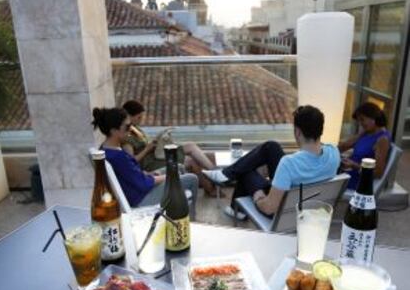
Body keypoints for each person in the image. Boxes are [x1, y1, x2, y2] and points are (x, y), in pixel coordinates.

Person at [203, 105, 340, 217]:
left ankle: (228, 178)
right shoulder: (334, 153)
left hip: (285, 212)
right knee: (271, 147)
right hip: (307, 206)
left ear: (297, 132)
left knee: (246, 171)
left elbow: (270, 208)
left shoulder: (288, 164)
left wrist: (258, 197)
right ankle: (227, 176)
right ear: (320, 130)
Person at [91, 107, 198, 217]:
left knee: (178, 167)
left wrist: (151, 174)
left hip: (136, 191)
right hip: (140, 198)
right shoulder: (117, 157)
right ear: (113, 130)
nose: (130, 130)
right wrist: (168, 176)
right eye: (127, 127)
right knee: (192, 179)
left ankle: (179, 211)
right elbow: (142, 184)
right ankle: (192, 218)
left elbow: (131, 175)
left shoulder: (106, 149)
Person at [122, 100, 218, 196]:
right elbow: (132, 162)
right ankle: (211, 186)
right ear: (129, 116)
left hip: (155, 155)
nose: (141, 120)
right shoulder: (126, 138)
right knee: (190, 161)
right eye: (139, 117)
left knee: (190, 146)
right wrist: (147, 149)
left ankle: (214, 174)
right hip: (150, 163)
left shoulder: (136, 129)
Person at [339, 102, 390, 190]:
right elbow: (342, 147)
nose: (360, 123)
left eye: (362, 120)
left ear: (373, 117)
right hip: (347, 175)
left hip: (357, 182)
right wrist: (360, 134)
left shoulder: (382, 140)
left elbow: (378, 173)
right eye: (359, 121)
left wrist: (354, 165)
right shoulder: (368, 132)